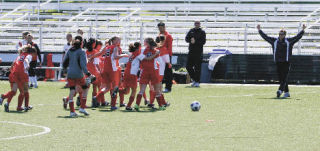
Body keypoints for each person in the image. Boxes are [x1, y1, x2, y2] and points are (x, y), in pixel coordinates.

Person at [257, 24, 306, 98]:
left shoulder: (289, 41)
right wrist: (259, 30)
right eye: (279, 34)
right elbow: (265, 37)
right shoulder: (274, 41)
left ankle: (280, 90)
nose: (280, 35)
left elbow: (297, 37)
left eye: (282, 34)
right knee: (281, 78)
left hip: (286, 62)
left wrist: (303, 30)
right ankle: (287, 92)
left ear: (285, 35)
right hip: (278, 62)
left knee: (284, 77)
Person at [90, 36, 128, 110]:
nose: (119, 41)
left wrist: (92, 57)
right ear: (113, 40)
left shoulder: (107, 47)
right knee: (115, 87)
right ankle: (113, 105)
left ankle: (96, 97)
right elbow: (116, 57)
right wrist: (124, 55)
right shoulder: (115, 47)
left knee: (107, 87)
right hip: (113, 70)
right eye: (118, 40)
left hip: (105, 69)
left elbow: (99, 54)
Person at [63, 36, 94, 117]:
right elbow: (83, 65)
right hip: (78, 74)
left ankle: (72, 112)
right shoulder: (82, 51)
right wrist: (88, 74)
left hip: (70, 74)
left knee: (72, 91)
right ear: (81, 44)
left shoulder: (70, 50)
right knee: (85, 89)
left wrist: (65, 71)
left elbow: (64, 62)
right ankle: (82, 108)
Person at [134, 38, 167, 111]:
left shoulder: (143, 50)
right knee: (157, 90)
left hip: (144, 71)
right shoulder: (156, 51)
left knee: (142, 90)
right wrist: (156, 53)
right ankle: (161, 106)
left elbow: (143, 58)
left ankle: (137, 105)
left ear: (147, 43)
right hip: (153, 71)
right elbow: (158, 62)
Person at [0, 45, 35, 112]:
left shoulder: (20, 55)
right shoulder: (29, 55)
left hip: (14, 74)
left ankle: (4, 99)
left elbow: (13, 63)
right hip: (22, 74)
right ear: (32, 52)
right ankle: (22, 106)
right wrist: (27, 64)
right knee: (24, 91)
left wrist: (11, 70)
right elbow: (26, 60)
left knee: (15, 91)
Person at [185, 21, 206, 87]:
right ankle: (194, 79)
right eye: (195, 23)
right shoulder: (191, 30)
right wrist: (190, 40)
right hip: (191, 51)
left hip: (198, 52)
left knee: (197, 67)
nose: (197, 25)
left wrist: (195, 41)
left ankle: (197, 81)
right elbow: (186, 38)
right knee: (188, 66)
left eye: (198, 23)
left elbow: (203, 41)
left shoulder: (202, 32)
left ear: (199, 25)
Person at [157, 22, 173, 93]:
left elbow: (169, 46)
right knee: (161, 71)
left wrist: (168, 56)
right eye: (159, 28)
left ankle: (168, 87)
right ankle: (161, 86)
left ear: (164, 27)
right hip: (160, 55)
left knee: (168, 71)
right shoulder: (159, 34)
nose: (160, 29)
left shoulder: (168, 36)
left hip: (166, 55)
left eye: (161, 28)